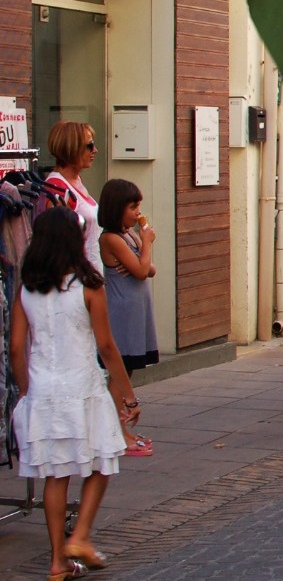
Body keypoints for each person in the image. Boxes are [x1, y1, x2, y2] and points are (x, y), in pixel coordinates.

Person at [10, 207, 142, 580]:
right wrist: (128, 395)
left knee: (56, 474)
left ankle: (58, 562)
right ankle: (80, 535)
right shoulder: (88, 286)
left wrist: (25, 390)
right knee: (104, 459)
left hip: (43, 389)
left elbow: (16, 347)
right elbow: (106, 346)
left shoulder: (27, 290)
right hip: (83, 387)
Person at [97, 179, 159, 457]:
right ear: (117, 208)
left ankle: (120, 427)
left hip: (136, 308)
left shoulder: (129, 235)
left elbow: (149, 269)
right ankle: (115, 431)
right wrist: (146, 243)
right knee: (119, 372)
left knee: (129, 368)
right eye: (132, 207)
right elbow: (141, 270)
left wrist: (142, 251)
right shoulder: (110, 238)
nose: (137, 213)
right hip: (122, 310)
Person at [42, 121, 103, 273]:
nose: (95, 150)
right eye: (89, 146)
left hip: (90, 274)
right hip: (77, 278)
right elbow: (57, 244)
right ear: (72, 148)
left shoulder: (75, 181)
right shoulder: (58, 188)